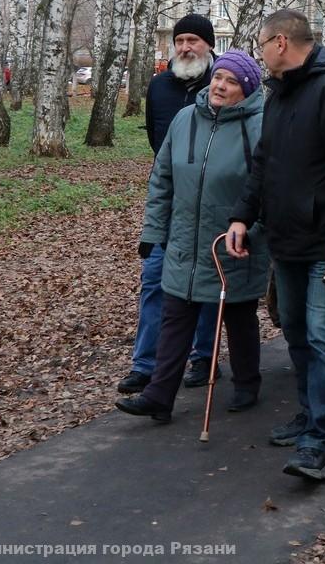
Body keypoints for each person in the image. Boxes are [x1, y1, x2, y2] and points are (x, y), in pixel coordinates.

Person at [226, 10, 325, 483]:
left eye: (262, 44)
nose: (260, 52)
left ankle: (318, 443)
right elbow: (264, 162)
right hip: (286, 239)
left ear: (282, 42)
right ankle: (309, 413)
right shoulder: (280, 93)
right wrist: (241, 217)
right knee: (295, 331)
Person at [115, 50, 269, 422]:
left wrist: (253, 231)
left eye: (232, 82)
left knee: (238, 314)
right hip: (184, 236)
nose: (220, 85)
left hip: (231, 240)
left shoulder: (262, 126)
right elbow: (162, 179)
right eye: (218, 77)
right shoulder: (186, 119)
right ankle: (159, 395)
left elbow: (271, 189)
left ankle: (248, 383)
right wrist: (153, 231)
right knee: (175, 315)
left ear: (246, 90)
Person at [118, 14, 222, 396]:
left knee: (208, 284)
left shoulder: (223, 84)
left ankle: (204, 357)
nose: (185, 47)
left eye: (193, 40)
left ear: (209, 44)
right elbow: (158, 146)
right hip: (169, 202)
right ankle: (145, 365)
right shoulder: (159, 87)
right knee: (155, 280)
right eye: (180, 40)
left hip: (213, 205)